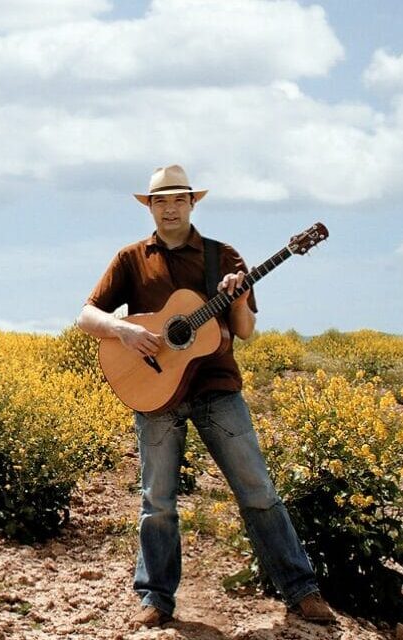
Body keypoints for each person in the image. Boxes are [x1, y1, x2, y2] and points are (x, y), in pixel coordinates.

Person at [76, 165, 336, 629]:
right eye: (160, 201)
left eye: (178, 199)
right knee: (157, 499)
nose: (170, 208)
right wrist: (125, 330)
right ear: (150, 207)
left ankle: (302, 591)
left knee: (257, 489)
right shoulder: (131, 258)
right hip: (156, 394)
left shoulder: (223, 257)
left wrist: (237, 297)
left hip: (217, 389)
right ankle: (156, 599)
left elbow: (245, 331)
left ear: (193, 204)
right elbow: (86, 315)